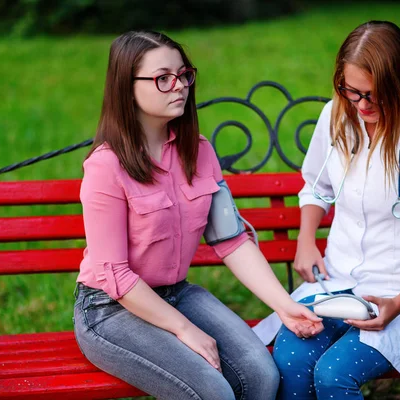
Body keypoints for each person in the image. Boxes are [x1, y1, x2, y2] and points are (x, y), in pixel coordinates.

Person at [73, 30, 323, 400]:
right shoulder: (106, 167)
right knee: (211, 393)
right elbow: (115, 277)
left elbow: (232, 240)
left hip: (176, 293)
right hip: (110, 310)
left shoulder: (199, 151)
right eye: (163, 78)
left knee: (261, 376)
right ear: (127, 88)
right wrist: (184, 329)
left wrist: (285, 307)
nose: (179, 86)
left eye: (184, 74)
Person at [252, 20, 400, 399]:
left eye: (374, 95)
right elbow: (316, 186)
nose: (362, 106)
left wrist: (397, 303)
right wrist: (305, 241)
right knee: (292, 362)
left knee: (334, 374)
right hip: (337, 282)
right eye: (352, 92)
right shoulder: (336, 116)